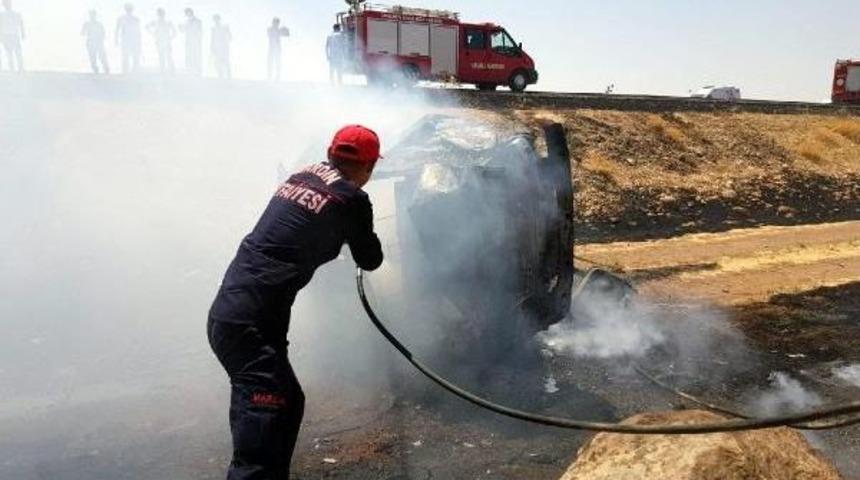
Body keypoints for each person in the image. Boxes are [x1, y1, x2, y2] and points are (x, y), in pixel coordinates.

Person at [208, 125, 384, 479]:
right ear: (367, 167)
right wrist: (354, 236)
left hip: (235, 312)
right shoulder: (352, 198)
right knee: (267, 411)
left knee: (280, 403)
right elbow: (371, 259)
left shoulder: (303, 174)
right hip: (251, 322)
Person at [147, 8, 176, 74]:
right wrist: (153, 33)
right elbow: (146, 27)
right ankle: (163, 70)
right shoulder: (155, 22)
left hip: (166, 42)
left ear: (164, 14)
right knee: (161, 56)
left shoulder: (168, 22)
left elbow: (174, 32)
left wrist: (170, 38)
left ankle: (171, 70)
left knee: (168, 56)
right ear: (158, 14)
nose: (160, 15)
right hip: (159, 41)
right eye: (159, 14)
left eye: (161, 13)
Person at [115, 3, 142, 74]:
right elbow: (117, 29)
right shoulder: (121, 18)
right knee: (126, 55)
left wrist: (139, 41)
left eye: (130, 8)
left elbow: (138, 31)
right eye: (128, 8)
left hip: (133, 40)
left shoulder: (136, 19)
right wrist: (116, 39)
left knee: (134, 56)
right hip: (126, 40)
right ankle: (126, 71)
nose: (129, 10)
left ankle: (134, 70)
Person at [0, 0, 25, 73]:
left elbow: (21, 24)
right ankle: (16, 68)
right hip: (10, 35)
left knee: (12, 53)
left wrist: (23, 33)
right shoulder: (13, 14)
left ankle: (15, 68)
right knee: (14, 53)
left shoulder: (3, 15)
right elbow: (21, 24)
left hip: (9, 35)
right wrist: (23, 33)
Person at [179, 8, 202, 75]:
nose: (186, 15)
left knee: (196, 56)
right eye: (186, 14)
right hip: (188, 41)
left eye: (187, 13)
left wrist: (198, 40)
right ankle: (190, 70)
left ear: (191, 12)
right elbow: (183, 31)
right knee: (188, 56)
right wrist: (180, 28)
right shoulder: (187, 21)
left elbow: (200, 31)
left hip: (195, 42)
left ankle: (198, 71)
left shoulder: (198, 21)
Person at [210, 14, 232, 79]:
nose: (216, 21)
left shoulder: (225, 27)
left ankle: (228, 75)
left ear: (219, 19)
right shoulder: (213, 28)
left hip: (224, 46)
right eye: (214, 19)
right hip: (217, 47)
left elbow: (230, 36)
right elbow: (212, 38)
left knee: (225, 61)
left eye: (217, 19)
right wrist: (211, 46)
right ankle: (220, 75)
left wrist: (226, 41)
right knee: (217, 61)